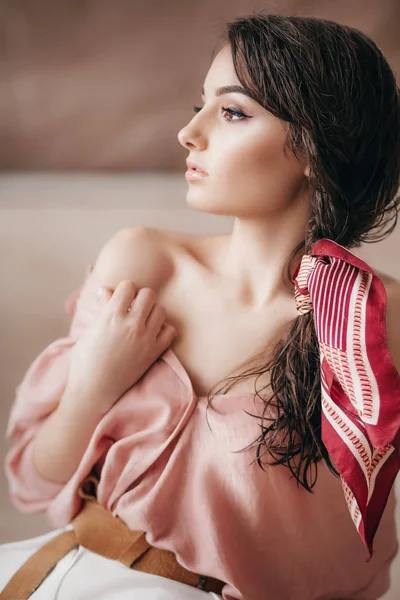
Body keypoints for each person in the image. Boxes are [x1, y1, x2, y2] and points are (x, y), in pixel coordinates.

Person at [1, 12, 400, 600]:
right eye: (200, 105)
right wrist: (93, 382)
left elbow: (355, 555)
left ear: (315, 147)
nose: (189, 133)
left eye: (233, 112)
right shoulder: (143, 266)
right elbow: (35, 481)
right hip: (75, 577)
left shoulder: (369, 317)